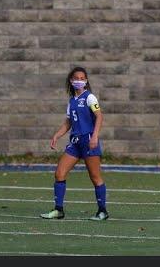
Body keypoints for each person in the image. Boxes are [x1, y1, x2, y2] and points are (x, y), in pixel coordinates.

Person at [40, 66, 108, 221]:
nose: (79, 81)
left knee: (95, 177)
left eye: (82, 78)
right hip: (75, 143)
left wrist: (95, 137)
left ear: (86, 81)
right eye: (76, 78)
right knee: (59, 174)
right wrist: (57, 135)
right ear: (71, 81)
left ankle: (102, 211)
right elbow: (68, 122)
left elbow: (99, 116)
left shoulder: (90, 98)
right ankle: (58, 210)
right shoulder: (72, 101)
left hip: (89, 141)